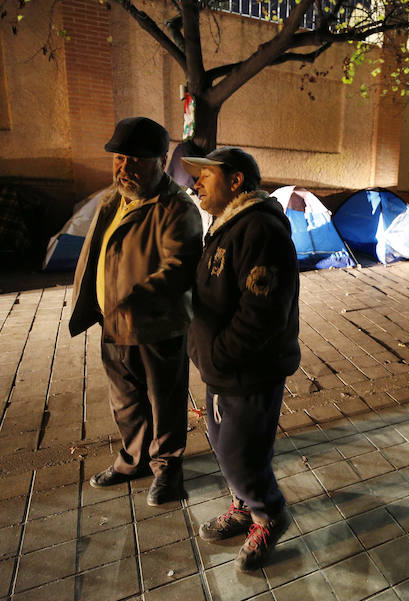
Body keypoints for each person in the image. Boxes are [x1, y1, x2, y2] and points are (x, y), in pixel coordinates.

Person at [69, 116, 203, 506]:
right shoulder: (113, 200)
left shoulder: (177, 208)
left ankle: (168, 471)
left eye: (136, 160)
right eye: (119, 158)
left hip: (157, 327)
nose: (124, 168)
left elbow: (178, 268)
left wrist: (132, 300)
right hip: (112, 323)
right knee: (125, 401)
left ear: (162, 160)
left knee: (165, 403)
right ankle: (133, 461)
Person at [181, 147, 300, 572]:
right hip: (222, 367)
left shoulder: (261, 230)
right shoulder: (225, 226)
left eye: (205, 175)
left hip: (249, 370)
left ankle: (269, 513)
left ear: (235, 181)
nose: (195, 182)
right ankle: (244, 504)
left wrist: (217, 355)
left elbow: (263, 312)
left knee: (240, 451)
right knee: (223, 444)